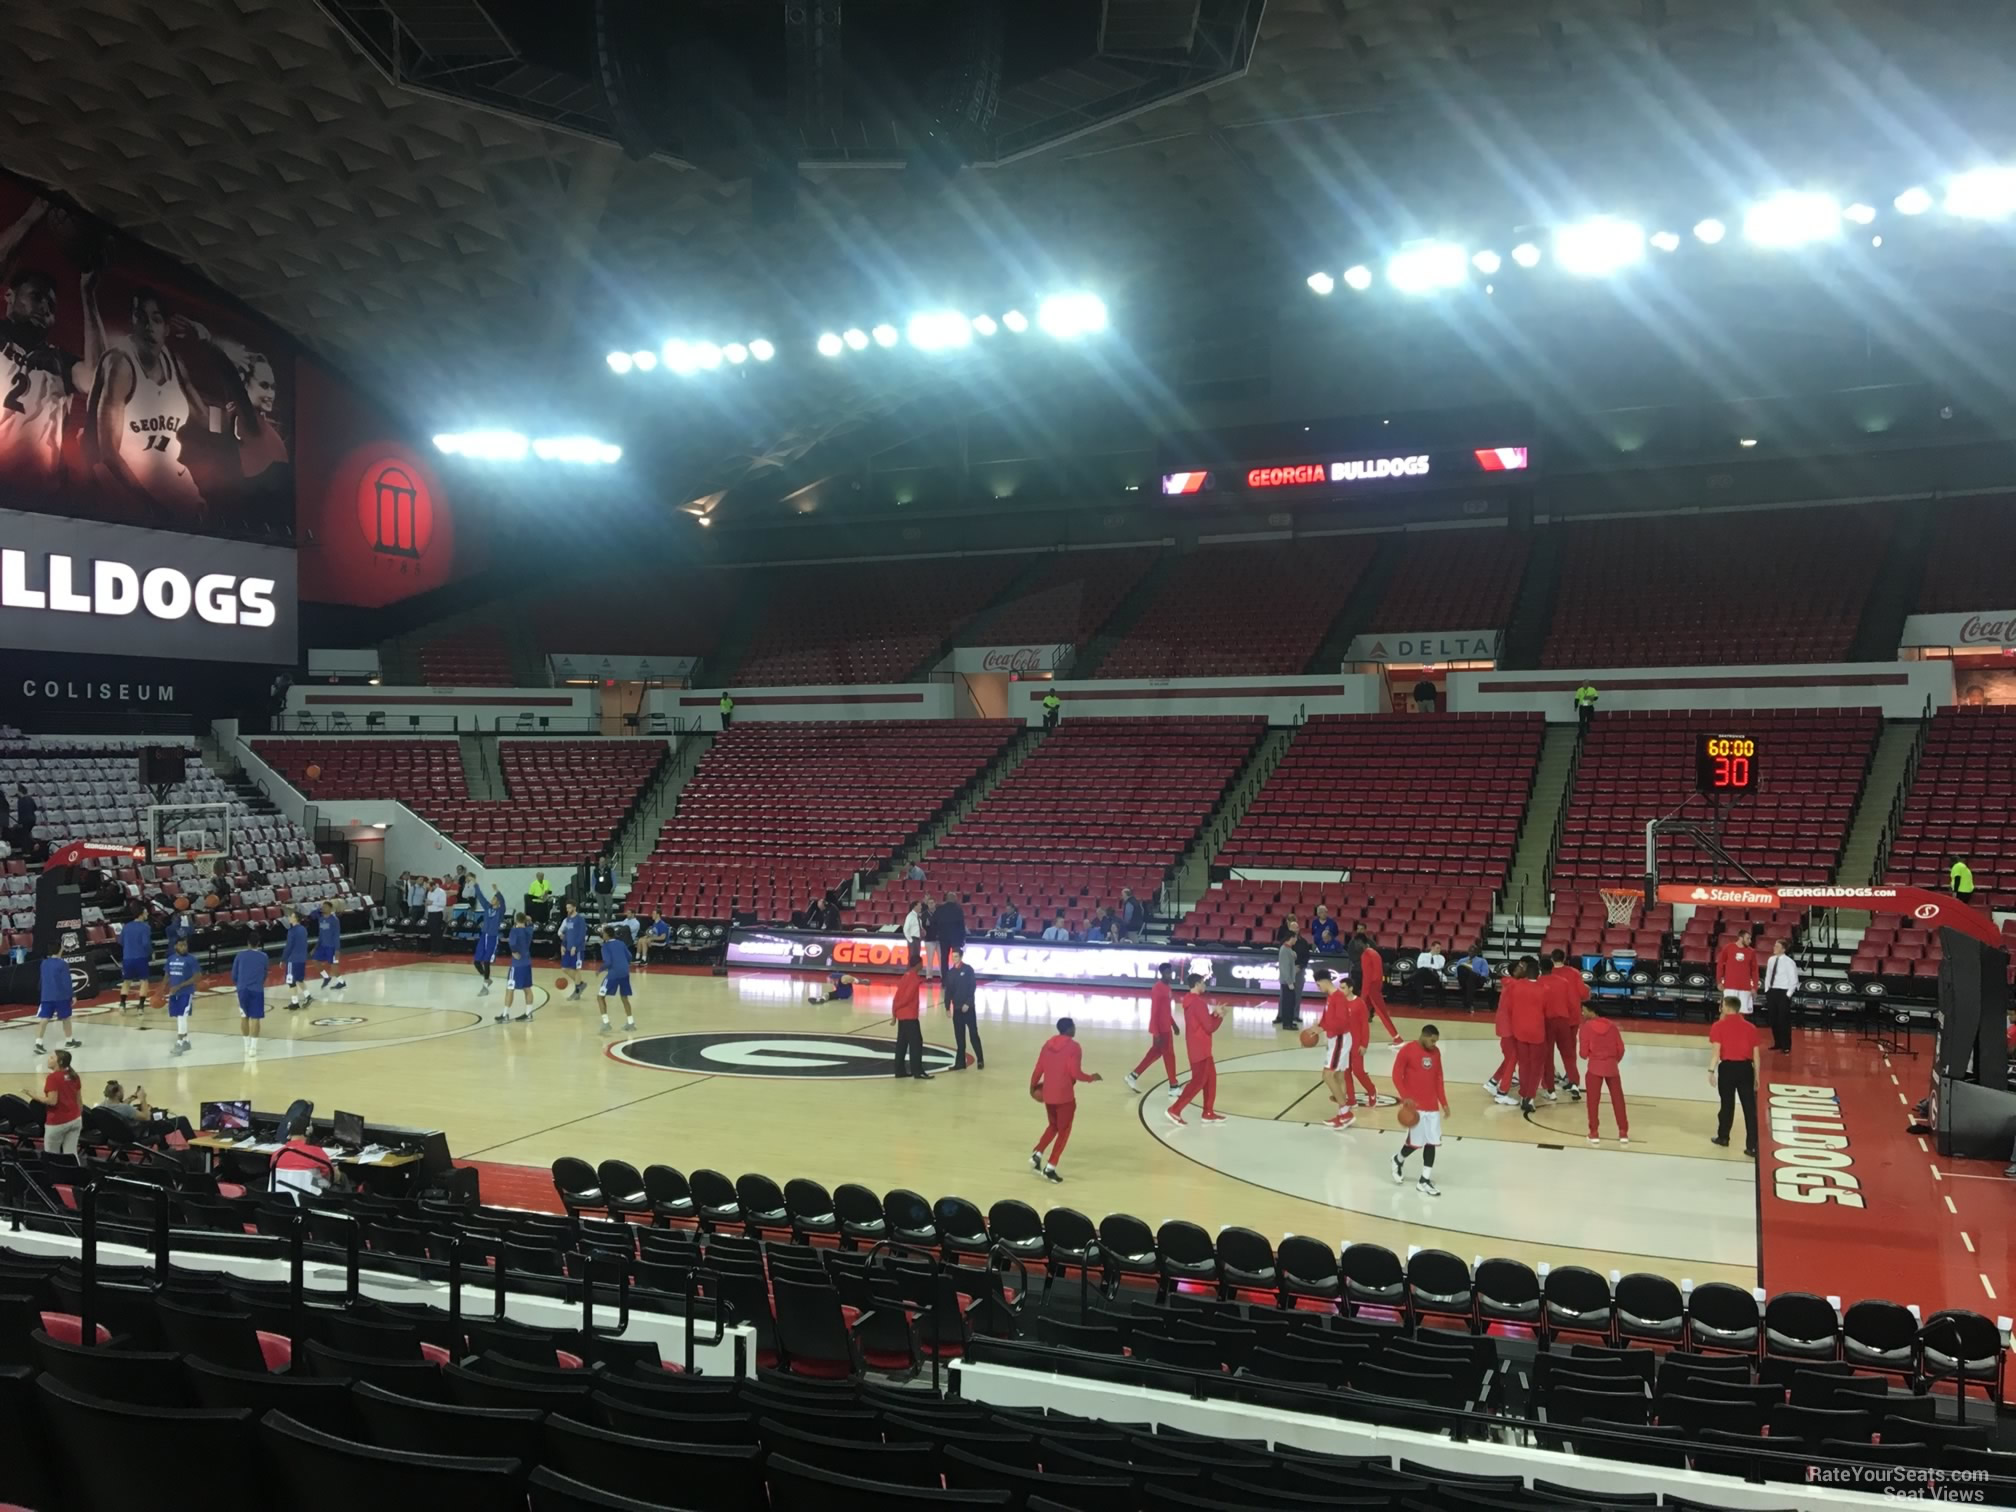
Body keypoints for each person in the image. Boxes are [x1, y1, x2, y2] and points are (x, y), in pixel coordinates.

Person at [0, 199, 102, 491]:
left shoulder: (59, 361)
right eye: (36, 296)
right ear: (9, 297)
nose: (44, 306)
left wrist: (88, 294)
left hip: (38, 497)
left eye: (51, 303)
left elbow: (96, 376)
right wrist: (28, 219)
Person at [89, 286, 206, 509]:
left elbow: (206, 419)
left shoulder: (174, 364)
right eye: (140, 317)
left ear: (167, 328)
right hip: (126, 486)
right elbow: (109, 454)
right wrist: (152, 506)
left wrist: (206, 344)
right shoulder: (121, 364)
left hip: (170, 477)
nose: (148, 327)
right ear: (132, 321)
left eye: (156, 319)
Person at [1029, 1017, 1100, 1182]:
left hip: (1048, 1094)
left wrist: (1032, 1087)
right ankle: (1050, 1167)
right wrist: (1091, 1078)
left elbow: (1038, 1069)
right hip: (1065, 1096)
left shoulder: (1047, 1045)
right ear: (1068, 1029)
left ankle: (1037, 1154)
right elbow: (1075, 1073)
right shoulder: (1074, 1047)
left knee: (1053, 1125)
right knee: (1064, 1131)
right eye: (1073, 1026)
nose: (1075, 1029)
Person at [1390, 1025, 1450, 1196]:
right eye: (1432, 1040)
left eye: (1436, 1041)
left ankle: (1424, 1180)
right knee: (1415, 1143)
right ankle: (1397, 1159)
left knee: (1432, 1142)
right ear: (1424, 1035)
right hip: (1415, 1107)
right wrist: (1404, 1097)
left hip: (1432, 1106)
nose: (1434, 1044)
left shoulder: (1436, 1053)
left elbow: (1439, 1078)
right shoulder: (1408, 1050)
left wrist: (1444, 1103)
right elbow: (1396, 1075)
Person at [1166, 972, 1226, 1126]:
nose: (1205, 985)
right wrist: (1219, 1016)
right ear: (1198, 984)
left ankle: (1208, 1112)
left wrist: (1213, 1014)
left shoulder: (1189, 1001)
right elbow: (1209, 1027)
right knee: (1198, 1081)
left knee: (1210, 1079)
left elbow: (1202, 1023)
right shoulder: (1198, 1003)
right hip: (1201, 1048)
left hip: (1197, 1046)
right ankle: (1175, 1109)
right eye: (1203, 982)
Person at [1708, 993, 1763, 1156]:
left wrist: (1711, 1071)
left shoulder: (1718, 1026)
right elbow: (1756, 1056)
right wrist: (1757, 1077)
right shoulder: (1751, 1028)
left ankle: (1723, 1137)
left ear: (1725, 1007)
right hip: (1746, 1069)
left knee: (1727, 1105)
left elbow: (1716, 1053)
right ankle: (1752, 1146)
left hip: (1727, 1069)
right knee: (1749, 1108)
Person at [1316, 967, 1366, 1129]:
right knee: (1338, 1077)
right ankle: (1342, 1115)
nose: (1318, 988)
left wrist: (1322, 1029)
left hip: (1340, 1039)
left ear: (1324, 981)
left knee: (1327, 1075)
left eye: (1318, 985)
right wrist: (1315, 1028)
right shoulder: (1331, 997)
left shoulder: (1338, 997)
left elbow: (1342, 1023)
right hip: (1336, 1039)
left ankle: (1345, 1112)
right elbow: (1325, 1019)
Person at [1127, 962, 1182, 1096]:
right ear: (1162, 973)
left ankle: (1133, 1076)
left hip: (1166, 1028)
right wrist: (1155, 1033)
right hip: (1161, 1030)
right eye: (1168, 972)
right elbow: (1155, 1012)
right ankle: (1173, 1086)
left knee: (1156, 1053)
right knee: (1169, 1055)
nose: (1170, 975)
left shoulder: (1167, 987)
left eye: (1171, 972)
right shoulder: (1157, 989)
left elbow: (1166, 1010)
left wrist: (1173, 1024)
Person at [1578, 1003, 1629, 1145]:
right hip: (1612, 1067)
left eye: (1584, 1011)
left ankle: (1594, 1133)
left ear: (1591, 1011)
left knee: (1593, 1102)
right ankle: (1623, 1131)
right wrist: (1613, 1061)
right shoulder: (1612, 1026)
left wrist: (1592, 1056)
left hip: (1595, 1067)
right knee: (1618, 1100)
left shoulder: (1586, 1028)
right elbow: (1621, 1048)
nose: (1582, 1014)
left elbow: (1583, 1053)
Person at [1542, 949, 1586, 1099]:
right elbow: (1583, 993)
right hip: (1570, 1017)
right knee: (1569, 1052)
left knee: (1547, 1053)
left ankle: (1549, 1086)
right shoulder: (1573, 973)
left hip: (1549, 1019)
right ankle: (1573, 1082)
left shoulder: (1545, 975)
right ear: (1565, 958)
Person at [1507, 954, 1548, 1112]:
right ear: (1538, 974)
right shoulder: (1544, 989)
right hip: (1537, 1031)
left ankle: (1524, 1093)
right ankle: (1530, 1097)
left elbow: (1510, 1007)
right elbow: (1547, 1011)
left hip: (1519, 1030)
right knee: (1536, 1066)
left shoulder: (1516, 986)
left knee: (1523, 1064)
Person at [98, 1080, 196, 1145]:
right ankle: (197, 1151)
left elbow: (118, 1107)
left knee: (158, 1125)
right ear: (118, 1093)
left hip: (116, 1137)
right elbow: (146, 1117)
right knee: (182, 1120)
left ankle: (164, 1150)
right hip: (137, 1136)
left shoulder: (102, 1106)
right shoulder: (125, 1109)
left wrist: (130, 1099)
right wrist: (143, 1099)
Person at [28, 1049, 83, 1157]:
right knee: (71, 1154)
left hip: (57, 1122)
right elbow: (79, 1101)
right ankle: (74, 1173)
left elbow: (52, 1101)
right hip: (75, 1119)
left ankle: (54, 1174)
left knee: (51, 1155)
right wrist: (78, 1117)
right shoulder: (74, 1075)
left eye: (52, 1057)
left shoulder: (53, 1078)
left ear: (60, 1062)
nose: (48, 1059)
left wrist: (33, 1095)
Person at [1357, 935, 1403, 1045]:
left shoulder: (1366, 954)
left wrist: (1364, 995)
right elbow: (1379, 972)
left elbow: (1367, 977)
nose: (1356, 946)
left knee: (1382, 1014)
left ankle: (1397, 1038)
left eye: (1357, 943)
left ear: (1361, 943)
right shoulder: (1375, 953)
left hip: (1371, 988)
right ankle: (1355, 1038)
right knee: (1360, 1014)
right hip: (1376, 986)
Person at [944, 947, 982, 1070]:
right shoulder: (950, 973)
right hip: (957, 1009)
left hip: (968, 1009)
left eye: (956, 956)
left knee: (973, 1034)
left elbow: (972, 987)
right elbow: (948, 991)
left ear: (961, 956)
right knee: (959, 1036)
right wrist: (947, 1007)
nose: (954, 958)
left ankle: (980, 1059)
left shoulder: (968, 970)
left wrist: (968, 1002)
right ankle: (960, 1063)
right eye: (952, 956)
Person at [33, 953, 78, 1056]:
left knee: (44, 1019)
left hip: (47, 995)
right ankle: (69, 1041)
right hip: (61, 996)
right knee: (66, 1018)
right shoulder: (63, 964)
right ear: (60, 949)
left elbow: (42, 980)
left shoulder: (43, 963)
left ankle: (38, 1043)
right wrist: (72, 995)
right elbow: (66, 981)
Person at [231, 933, 268, 1058]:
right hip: (257, 990)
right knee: (256, 1018)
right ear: (258, 944)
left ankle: (246, 1046)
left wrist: (241, 984)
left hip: (242, 989)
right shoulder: (264, 957)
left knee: (244, 1017)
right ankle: (253, 1048)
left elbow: (234, 975)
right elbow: (264, 974)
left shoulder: (240, 955)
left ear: (248, 943)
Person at [891, 965, 929, 1080]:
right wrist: (897, 1007)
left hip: (901, 1016)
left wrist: (895, 1011)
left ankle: (899, 1070)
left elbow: (897, 996)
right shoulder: (913, 978)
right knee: (916, 1043)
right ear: (917, 965)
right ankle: (917, 1071)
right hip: (910, 1016)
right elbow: (907, 997)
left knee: (901, 1044)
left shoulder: (904, 976)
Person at [1761, 938, 1798, 1054]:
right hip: (1772, 991)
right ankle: (1777, 1042)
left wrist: (1788, 995)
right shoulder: (1771, 960)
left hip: (1783, 992)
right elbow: (1768, 975)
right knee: (1773, 1019)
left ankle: (1786, 1045)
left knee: (1783, 1020)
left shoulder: (1789, 962)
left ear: (1783, 949)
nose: (1774, 948)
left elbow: (1794, 980)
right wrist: (1767, 990)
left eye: (1777, 946)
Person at [498, 913, 536, 1023]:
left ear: (515, 920)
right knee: (527, 988)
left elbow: (512, 943)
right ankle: (528, 1013)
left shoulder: (514, 931)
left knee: (510, 988)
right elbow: (530, 925)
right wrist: (529, 920)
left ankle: (505, 1014)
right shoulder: (529, 930)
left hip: (517, 964)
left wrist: (514, 952)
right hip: (527, 962)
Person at [163, 935, 197, 1056]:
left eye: (185, 945)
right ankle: (186, 1041)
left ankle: (179, 1042)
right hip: (173, 992)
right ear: (175, 946)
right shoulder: (170, 959)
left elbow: (197, 977)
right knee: (178, 1017)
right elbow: (167, 975)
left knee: (182, 1016)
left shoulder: (191, 959)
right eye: (181, 945)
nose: (184, 948)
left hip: (186, 992)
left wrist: (180, 985)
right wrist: (161, 990)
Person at [597, 925, 634, 1033]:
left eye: (603, 933)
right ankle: (631, 1023)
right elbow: (630, 957)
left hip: (614, 974)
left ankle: (606, 1023)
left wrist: (599, 970)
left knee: (600, 997)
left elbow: (608, 962)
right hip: (625, 972)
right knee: (624, 997)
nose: (602, 935)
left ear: (607, 935)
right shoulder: (621, 943)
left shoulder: (605, 946)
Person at [115, 908, 151, 1013]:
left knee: (126, 981)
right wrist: (150, 952)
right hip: (141, 957)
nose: (147, 913)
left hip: (127, 958)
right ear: (141, 914)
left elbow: (120, 941)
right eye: (146, 912)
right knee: (144, 981)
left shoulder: (126, 926)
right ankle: (140, 1006)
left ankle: (122, 1004)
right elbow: (145, 943)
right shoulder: (145, 927)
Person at [1715, 927, 1758, 1016]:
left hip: (1745, 987)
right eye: (1748, 938)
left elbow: (1754, 971)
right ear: (1740, 938)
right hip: (1730, 986)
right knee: (1727, 1012)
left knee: (1742, 1013)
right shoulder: (1728, 948)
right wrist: (1719, 981)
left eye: (1750, 939)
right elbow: (1720, 965)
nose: (1750, 941)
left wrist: (1754, 987)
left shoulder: (1752, 952)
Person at [1274, 919, 1306, 1030]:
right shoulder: (1284, 950)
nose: (1296, 940)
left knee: (1291, 1001)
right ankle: (1286, 1023)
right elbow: (1284, 968)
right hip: (1287, 981)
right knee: (1287, 1002)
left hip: (1290, 980)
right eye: (1295, 938)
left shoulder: (1288, 949)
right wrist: (1289, 981)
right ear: (1291, 938)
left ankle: (1289, 1020)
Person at [313, 899, 347, 993]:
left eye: (325, 907)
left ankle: (341, 982)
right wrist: (315, 947)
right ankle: (326, 977)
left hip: (331, 947)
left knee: (334, 967)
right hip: (322, 946)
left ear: (331, 908)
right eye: (322, 907)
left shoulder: (334, 920)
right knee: (315, 961)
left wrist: (337, 950)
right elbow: (320, 934)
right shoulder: (321, 919)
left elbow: (336, 935)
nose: (323, 908)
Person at [558, 901, 588, 1001]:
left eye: (569, 908)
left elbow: (581, 935)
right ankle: (580, 984)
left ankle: (577, 992)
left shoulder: (580, 920)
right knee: (564, 968)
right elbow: (567, 933)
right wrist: (563, 944)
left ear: (574, 908)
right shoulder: (568, 919)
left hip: (578, 948)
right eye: (567, 908)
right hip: (568, 947)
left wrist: (575, 946)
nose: (568, 910)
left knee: (577, 969)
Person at [282, 907, 310, 1010]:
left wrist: (283, 959)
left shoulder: (292, 931)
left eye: (291, 916)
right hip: (302, 958)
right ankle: (308, 996)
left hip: (293, 959)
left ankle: (295, 1002)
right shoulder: (303, 929)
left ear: (296, 919)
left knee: (291, 981)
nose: (289, 918)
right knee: (299, 979)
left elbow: (289, 946)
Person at [932, 890, 966, 977]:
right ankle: (957, 977)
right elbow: (961, 926)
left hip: (943, 937)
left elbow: (934, 922)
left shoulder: (940, 909)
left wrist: (938, 933)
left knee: (944, 958)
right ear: (954, 899)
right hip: (956, 938)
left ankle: (944, 980)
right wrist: (963, 938)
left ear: (946, 899)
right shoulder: (958, 909)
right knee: (957, 957)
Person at [471, 900, 501, 996]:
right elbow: (480, 897)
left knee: (486, 961)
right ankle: (487, 978)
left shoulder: (500, 911)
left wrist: (498, 892)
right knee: (476, 962)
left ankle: (485, 987)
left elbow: (503, 902)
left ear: (498, 902)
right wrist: (476, 886)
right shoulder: (488, 908)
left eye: (494, 898)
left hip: (492, 937)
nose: (492, 900)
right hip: (484, 936)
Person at [1455, 943, 1492, 1010]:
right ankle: (1470, 1004)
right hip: (1464, 980)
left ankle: (1468, 1004)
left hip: (1477, 980)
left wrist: (1474, 973)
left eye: (1473, 951)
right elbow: (1457, 974)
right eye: (1470, 951)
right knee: (1461, 968)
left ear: (1476, 952)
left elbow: (1485, 973)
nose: (1471, 952)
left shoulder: (1482, 961)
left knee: (1471, 976)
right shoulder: (1462, 960)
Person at [425, 876, 448, 951]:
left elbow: (443, 903)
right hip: (430, 913)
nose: (429, 890)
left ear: (434, 885)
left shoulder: (441, 892)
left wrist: (432, 902)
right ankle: (433, 949)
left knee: (437, 932)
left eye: (430, 888)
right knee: (432, 932)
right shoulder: (429, 892)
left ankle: (438, 949)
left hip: (437, 913)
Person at [902, 899, 927, 968]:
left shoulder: (917, 916)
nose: (921, 907)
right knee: (912, 958)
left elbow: (918, 926)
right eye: (919, 906)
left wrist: (922, 930)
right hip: (914, 939)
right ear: (915, 906)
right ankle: (909, 975)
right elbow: (905, 929)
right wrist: (910, 940)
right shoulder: (910, 916)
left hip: (917, 939)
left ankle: (913, 975)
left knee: (916, 958)